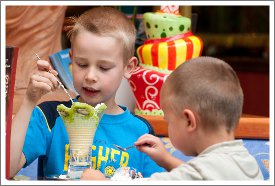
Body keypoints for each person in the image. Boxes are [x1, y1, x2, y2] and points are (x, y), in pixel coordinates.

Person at [10, 6, 164, 179]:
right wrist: (29, 101)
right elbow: (7, 169)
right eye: (82, 64)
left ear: (128, 67)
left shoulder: (141, 131)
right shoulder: (50, 116)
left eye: (103, 67)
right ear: (71, 60)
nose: (90, 76)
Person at [80, 56, 264, 180]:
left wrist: (101, 181)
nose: (168, 125)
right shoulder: (245, 162)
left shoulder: (201, 173)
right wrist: (167, 160)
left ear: (189, 121)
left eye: (168, 119)